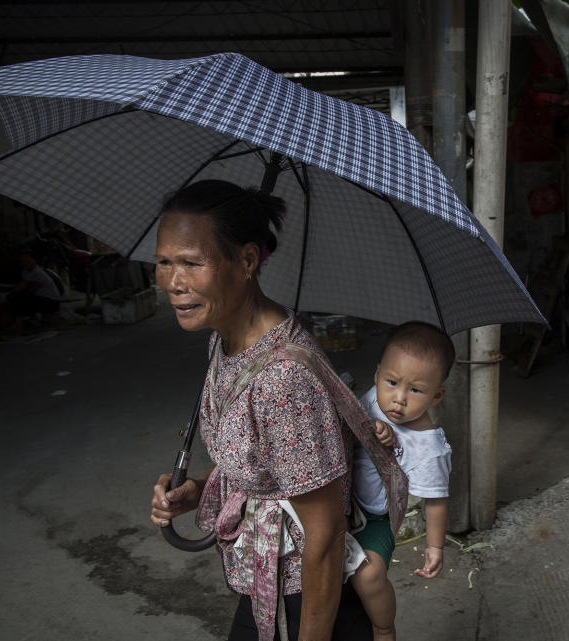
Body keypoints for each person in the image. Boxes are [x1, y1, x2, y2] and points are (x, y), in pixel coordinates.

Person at [148, 179, 406, 641]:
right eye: (164, 262)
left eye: (191, 263)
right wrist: (196, 489)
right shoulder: (224, 342)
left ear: (247, 260)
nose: (173, 282)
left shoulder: (282, 380)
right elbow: (263, 461)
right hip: (263, 574)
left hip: (306, 594)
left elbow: (324, 536)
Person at [350, 322, 454, 641]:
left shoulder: (429, 447)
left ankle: (383, 628)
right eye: (392, 382)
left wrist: (434, 546)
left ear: (436, 395)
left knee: (368, 575)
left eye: (416, 390)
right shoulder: (371, 399)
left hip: (376, 518)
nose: (398, 399)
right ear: (378, 374)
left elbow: (436, 501)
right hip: (341, 497)